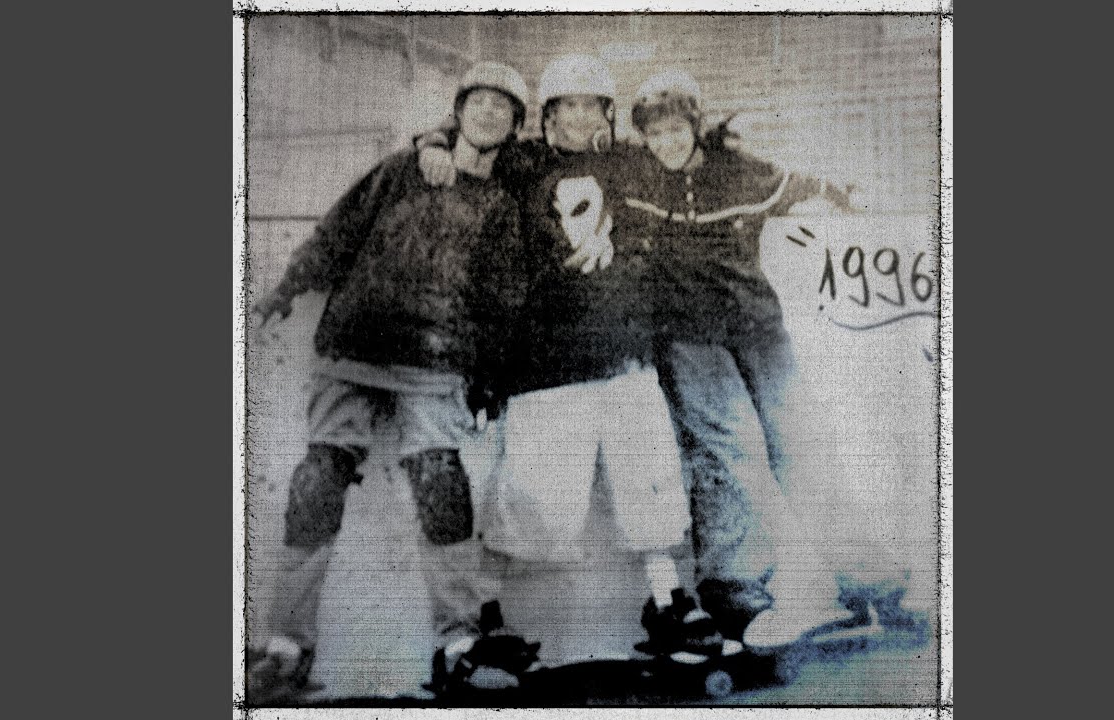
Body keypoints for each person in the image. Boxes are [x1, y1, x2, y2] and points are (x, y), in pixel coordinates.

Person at [415, 54, 732, 663]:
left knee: (651, 484)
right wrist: (432, 140)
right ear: (549, 114)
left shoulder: (628, 162)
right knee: (535, 501)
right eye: (568, 106)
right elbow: (473, 134)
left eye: (592, 106)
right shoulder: (522, 163)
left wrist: (717, 137)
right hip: (546, 364)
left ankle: (667, 600)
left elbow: (685, 150)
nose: (580, 117)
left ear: (607, 114)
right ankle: (485, 610)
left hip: (624, 354)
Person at [246, 61, 540, 702]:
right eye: (479, 101)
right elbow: (337, 232)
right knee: (319, 477)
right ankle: (285, 645)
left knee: (441, 480)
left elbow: (502, 298)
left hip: (434, 361)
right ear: (457, 111)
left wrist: (489, 378)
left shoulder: (500, 202)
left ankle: (457, 644)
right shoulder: (402, 168)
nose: (488, 112)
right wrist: (285, 290)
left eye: (503, 107)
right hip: (354, 345)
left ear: (516, 125)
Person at [616, 69, 927, 648]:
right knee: (727, 450)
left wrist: (853, 196)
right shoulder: (635, 176)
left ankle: (872, 581)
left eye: (676, 129)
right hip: (690, 340)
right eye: (654, 133)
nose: (666, 143)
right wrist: (438, 142)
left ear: (695, 126)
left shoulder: (739, 170)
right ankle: (734, 591)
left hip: (758, 330)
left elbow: (810, 185)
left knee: (801, 447)